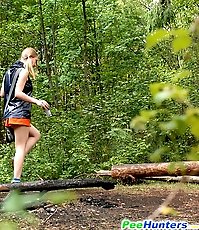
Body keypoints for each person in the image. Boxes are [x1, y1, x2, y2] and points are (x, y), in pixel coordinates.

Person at [0, 47, 50, 183]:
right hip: (20, 114)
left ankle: (17, 159)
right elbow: (18, 93)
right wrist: (37, 102)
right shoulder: (24, 71)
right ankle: (16, 181)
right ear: (30, 57)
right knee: (20, 147)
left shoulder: (9, 71)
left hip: (9, 114)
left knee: (36, 134)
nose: (35, 64)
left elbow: (2, 94)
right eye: (36, 60)